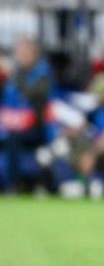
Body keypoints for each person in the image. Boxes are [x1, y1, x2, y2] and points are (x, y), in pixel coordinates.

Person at [0, 39, 52, 191]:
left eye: (24, 53)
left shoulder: (43, 74)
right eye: (19, 53)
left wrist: (12, 74)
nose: (21, 56)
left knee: (13, 139)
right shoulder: (17, 74)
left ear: (34, 54)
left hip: (36, 127)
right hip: (12, 124)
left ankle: (13, 185)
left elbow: (31, 95)